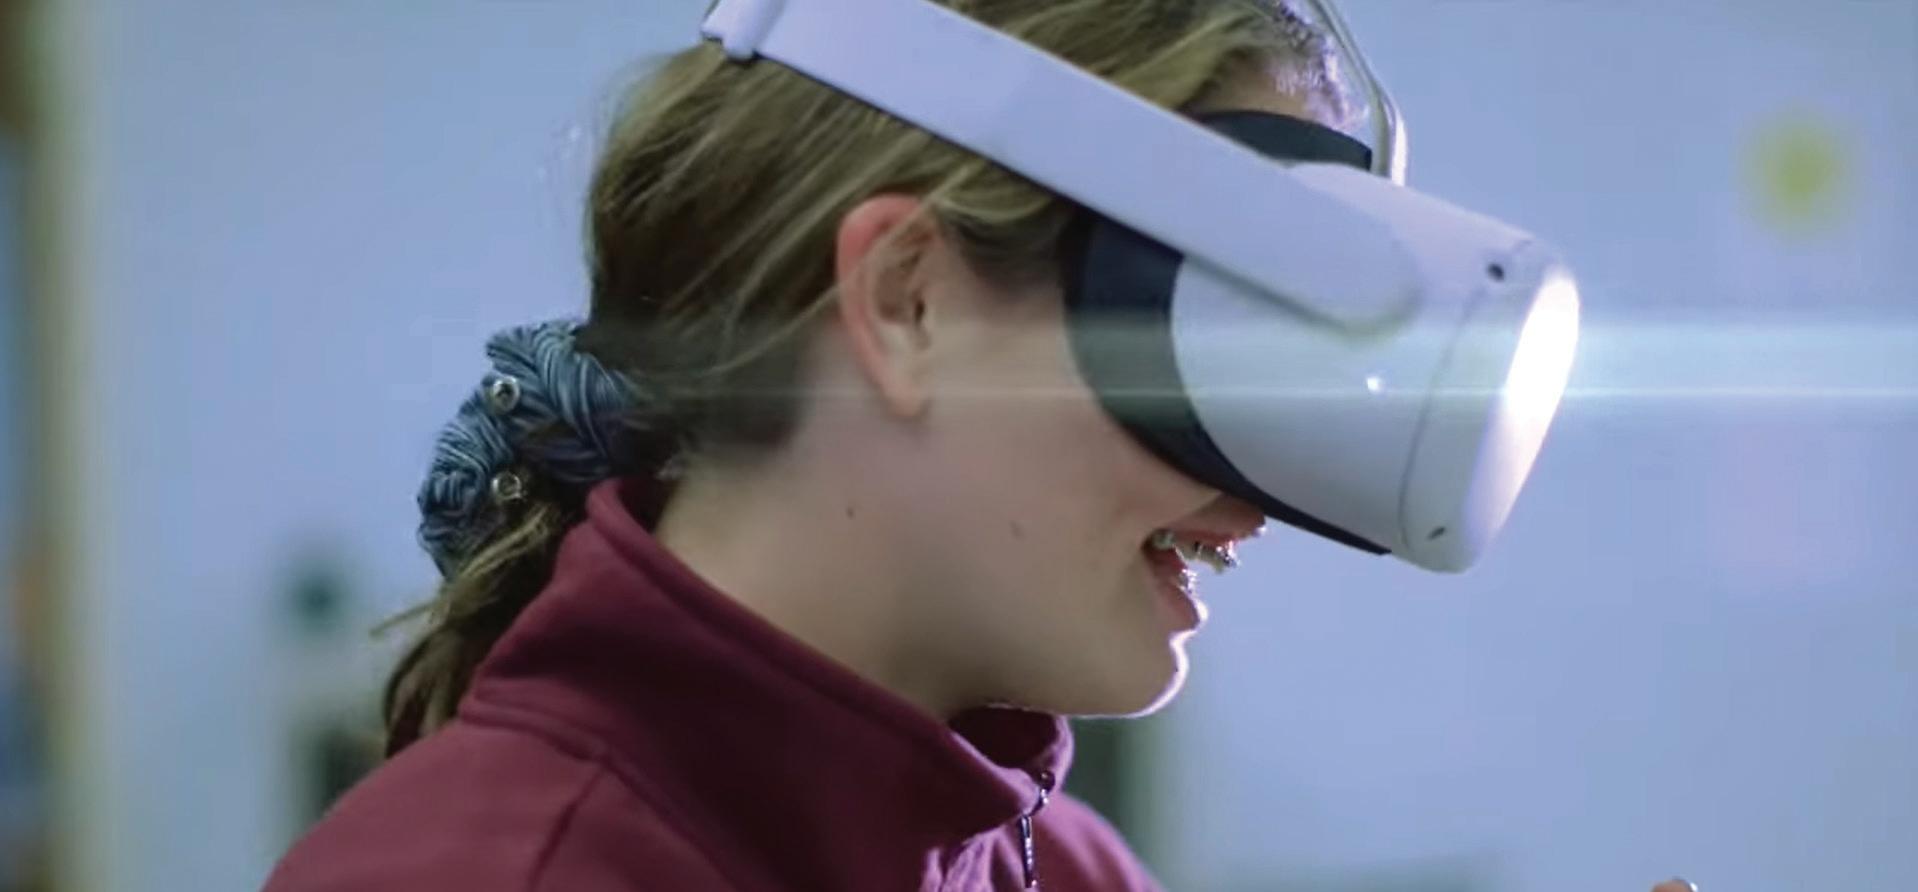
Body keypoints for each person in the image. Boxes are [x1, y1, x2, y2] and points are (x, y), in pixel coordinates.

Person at [261, 1, 1696, 890]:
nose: (1254, 507)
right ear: (911, 301)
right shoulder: (484, 873)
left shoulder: (1057, 867)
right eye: (1225, 344)